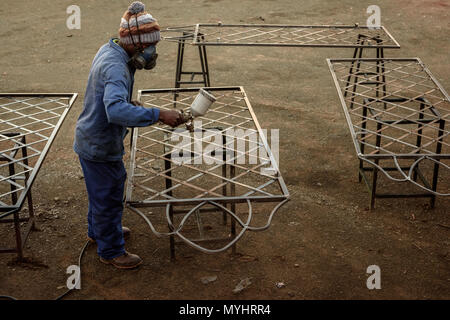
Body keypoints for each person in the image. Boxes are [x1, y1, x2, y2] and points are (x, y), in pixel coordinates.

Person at [73, 2, 181, 269]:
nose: (152, 52)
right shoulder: (117, 67)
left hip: (93, 139)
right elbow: (115, 111)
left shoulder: (110, 49)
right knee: (109, 194)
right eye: (149, 46)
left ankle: (98, 232)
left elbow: (110, 99)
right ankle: (111, 251)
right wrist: (158, 114)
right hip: (99, 144)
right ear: (135, 43)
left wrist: (133, 106)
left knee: (101, 193)